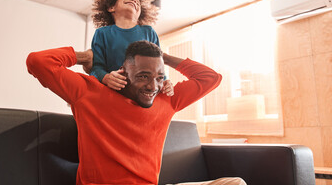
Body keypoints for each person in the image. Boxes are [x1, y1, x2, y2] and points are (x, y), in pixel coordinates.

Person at [26, 40, 245, 185]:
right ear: (123, 72)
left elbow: (211, 78)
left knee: (235, 183)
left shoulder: (167, 99)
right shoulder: (89, 93)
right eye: (142, 76)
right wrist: (85, 57)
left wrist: (164, 58)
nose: (152, 86)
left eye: (159, 77)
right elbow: (38, 62)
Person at [89, 0, 173, 96]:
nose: (133, 0)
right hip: (115, 92)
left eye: (137, 2)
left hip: (145, 92)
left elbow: (158, 65)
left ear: (140, 14)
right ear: (111, 8)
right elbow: (96, 68)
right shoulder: (102, 33)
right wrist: (106, 77)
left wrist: (165, 81)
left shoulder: (149, 32)